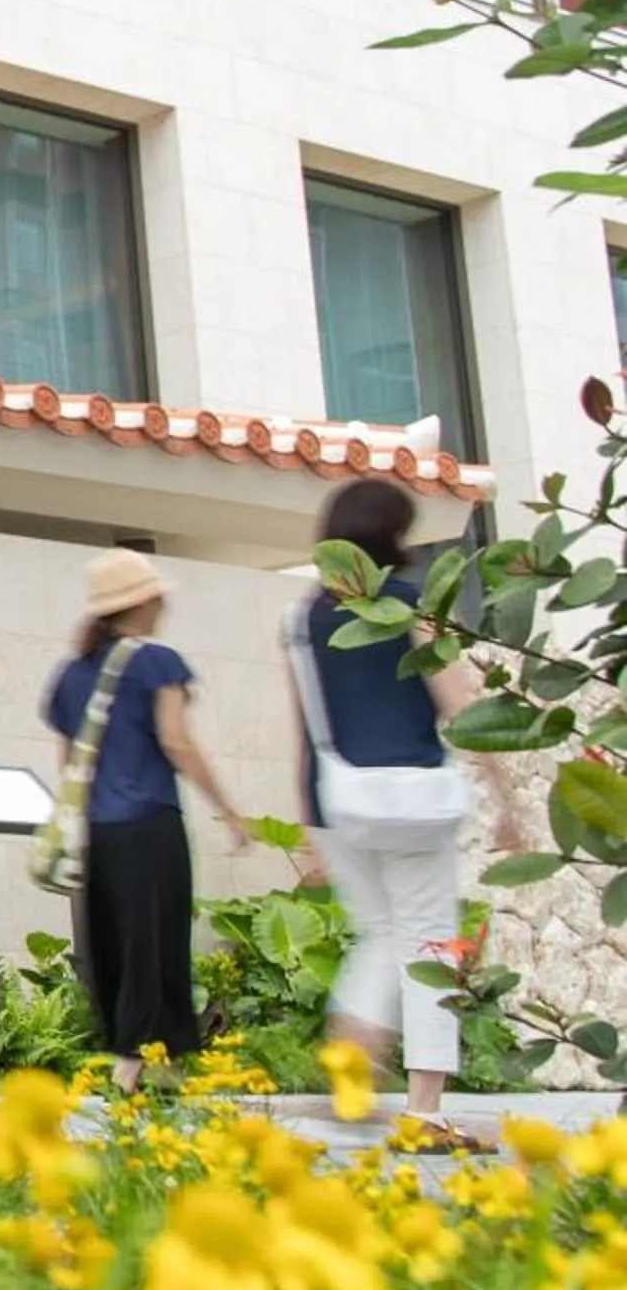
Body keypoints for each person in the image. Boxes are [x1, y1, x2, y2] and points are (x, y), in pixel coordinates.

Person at [291, 479, 481, 1152]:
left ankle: (352, 1076)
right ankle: (424, 1111)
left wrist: (309, 824)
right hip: (415, 801)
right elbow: (458, 702)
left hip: (339, 804)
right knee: (429, 942)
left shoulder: (302, 617)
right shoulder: (405, 605)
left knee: (379, 932)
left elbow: (305, 724)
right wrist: (510, 796)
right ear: (393, 538)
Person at [43, 548, 254, 1091]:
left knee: (117, 943)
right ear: (142, 601)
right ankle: (133, 1069)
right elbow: (177, 741)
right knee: (156, 944)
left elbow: (70, 763)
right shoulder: (158, 662)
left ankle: (165, 1070)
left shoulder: (70, 674)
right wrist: (229, 810)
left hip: (100, 831)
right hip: (151, 823)